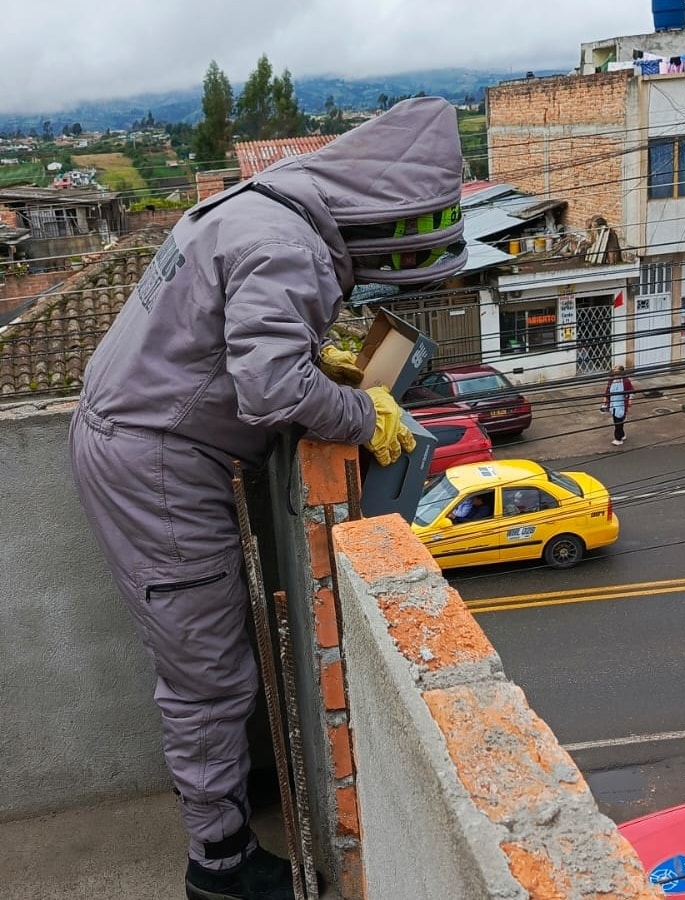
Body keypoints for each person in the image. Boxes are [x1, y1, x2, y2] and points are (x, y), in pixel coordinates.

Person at [67, 96, 467, 900]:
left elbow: (243, 347)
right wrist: (364, 415)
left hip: (145, 442)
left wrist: (328, 374)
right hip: (157, 465)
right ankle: (218, 864)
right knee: (208, 673)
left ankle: (219, 792)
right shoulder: (286, 244)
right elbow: (271, 386)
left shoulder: (266, 207)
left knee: (208, 659)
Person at [602, 364, 635, 446]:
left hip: (621, 405)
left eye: (617, 373)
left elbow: (631, 391)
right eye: (615, 372)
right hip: (613, 404)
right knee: (617, 421)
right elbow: (607, 391)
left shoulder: (626, 381)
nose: (616, 375)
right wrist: (605, 400)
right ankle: (622, 435)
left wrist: (630, 400)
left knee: (618, 422)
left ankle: (618, 439)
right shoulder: (611, 381)